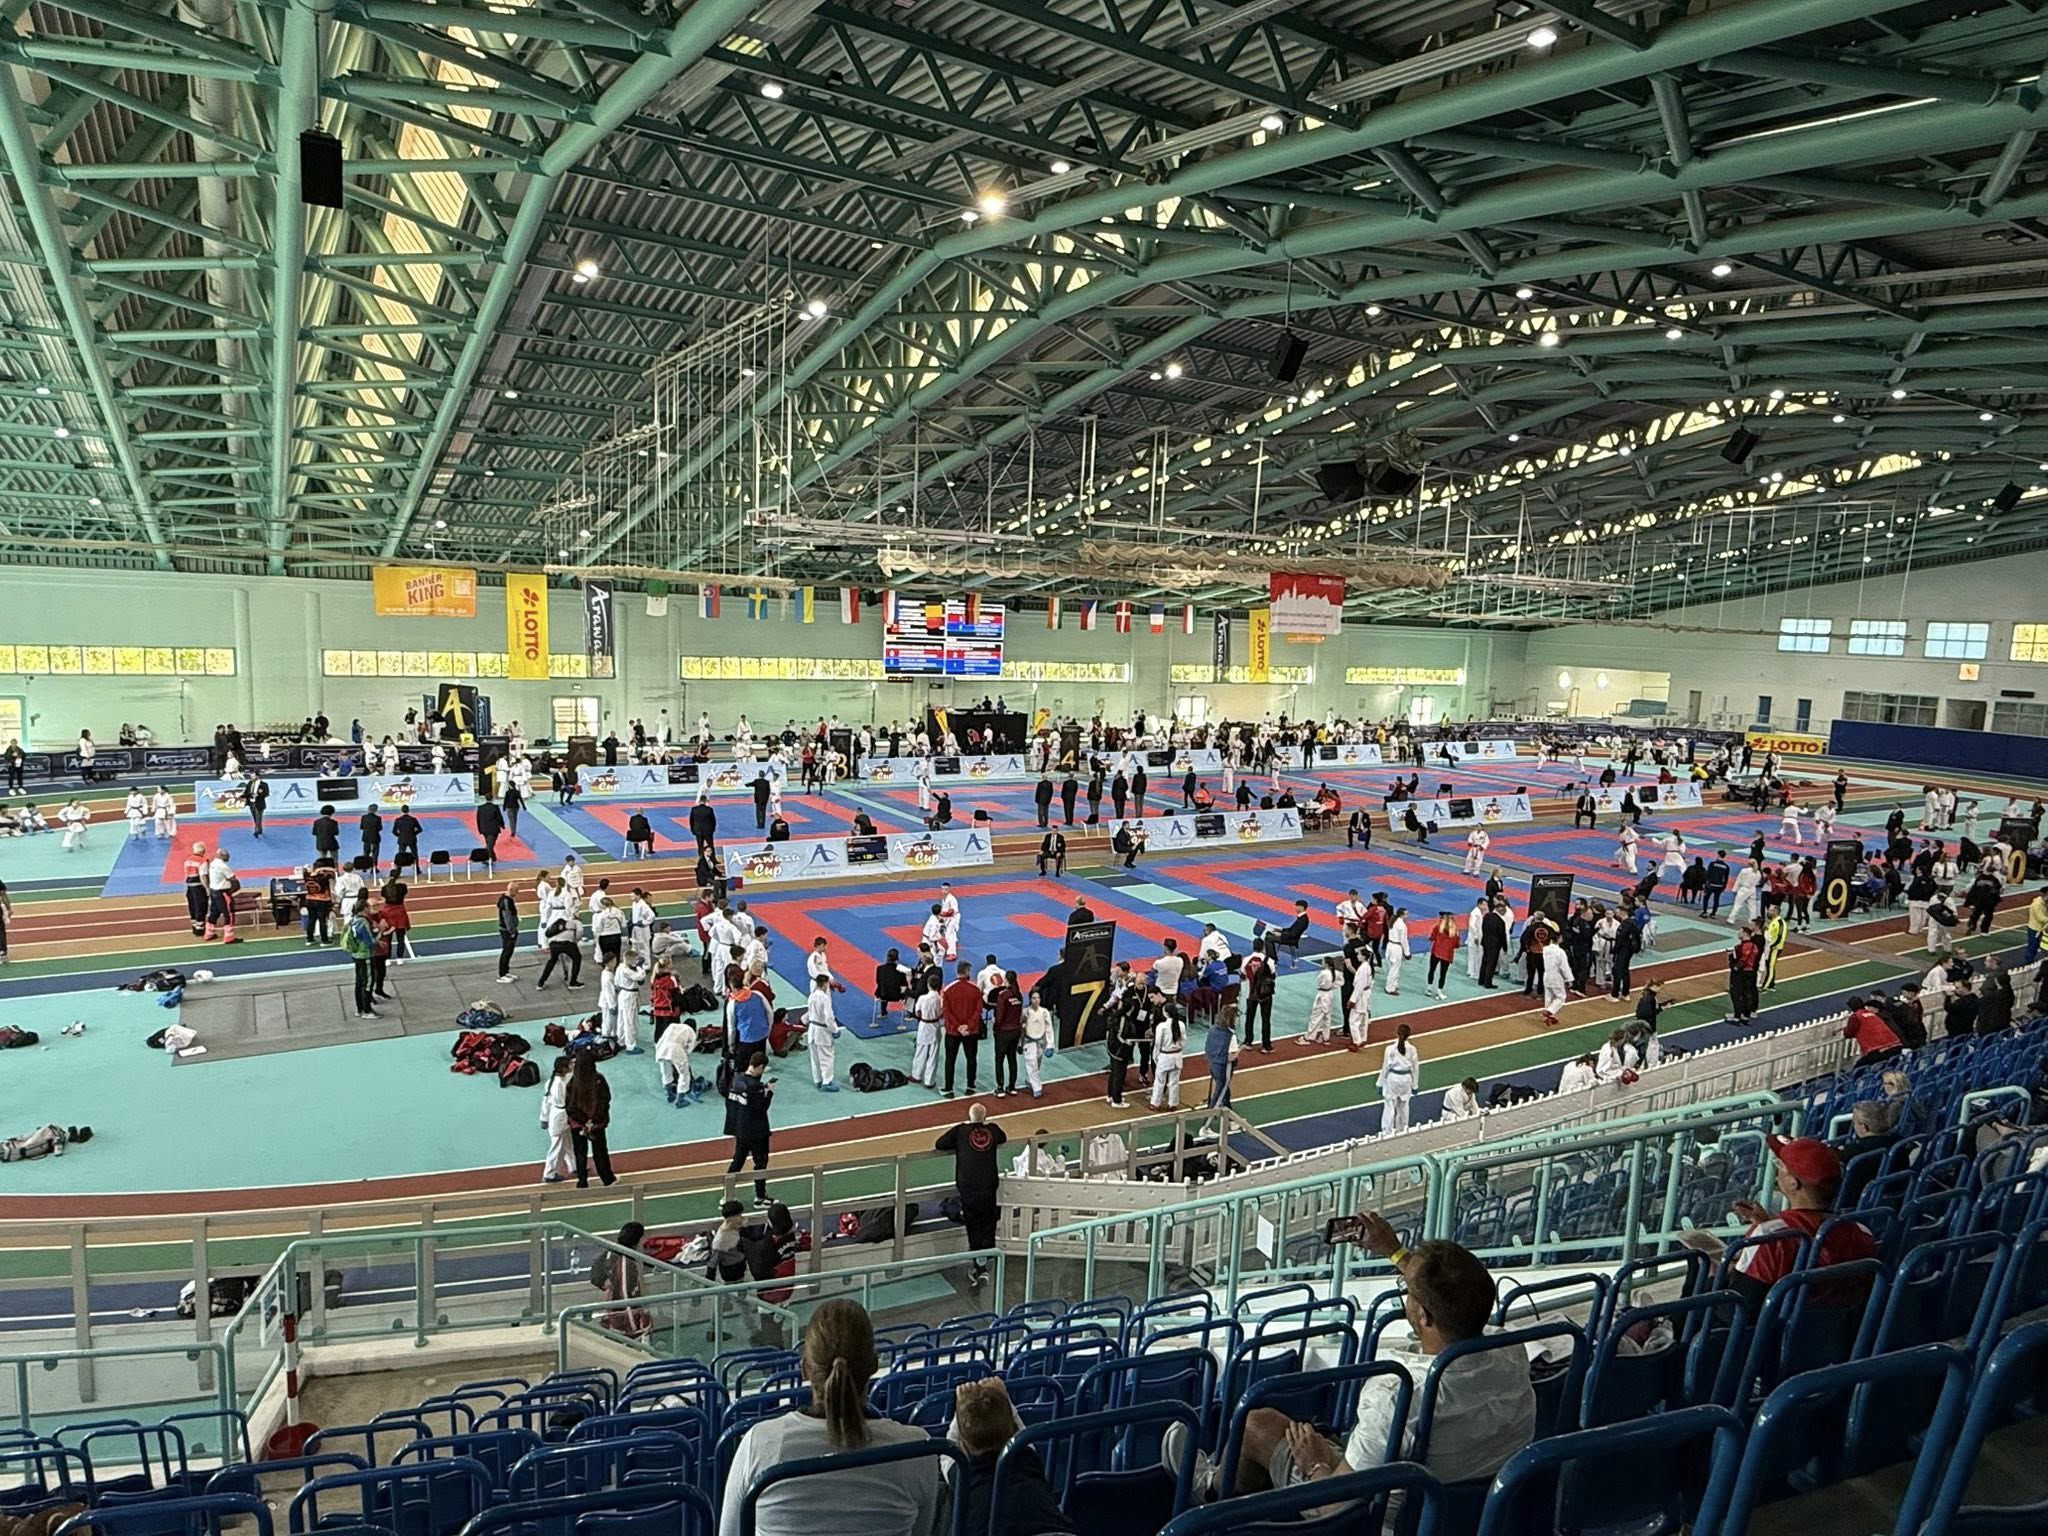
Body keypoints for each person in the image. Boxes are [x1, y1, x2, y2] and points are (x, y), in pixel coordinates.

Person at [1162, 1218, 1534, 1509]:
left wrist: (1315, 1464)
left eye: (1408, 1292)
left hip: (1373, 1517)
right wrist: (1394, 1251)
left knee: (1255, 1422)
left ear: (1423, 1316)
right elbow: (1453, 1294)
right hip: (1472, 1513)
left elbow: (1341, 1505)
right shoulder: (1511, 1352)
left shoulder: (1398, 1393)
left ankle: (1209, 1490)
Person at [718, 1299, 942, 1536]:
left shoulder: (760, 1444)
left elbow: (729, 1532)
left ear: (805, 1369)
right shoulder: (918, 1449)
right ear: (874, 1365)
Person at [1678, 1135, 1877, 1315]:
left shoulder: (1768, 1237)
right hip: (1835, 1339)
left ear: (1793, 1183)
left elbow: (1735, 1312)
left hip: (1766, 1340)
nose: (1776, 1170)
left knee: (1699, 1264)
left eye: (1779, 1165)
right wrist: (1770, 1224)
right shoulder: (1863, 1233)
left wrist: (1714, 1276)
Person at [953, 1378, 1077, 1536]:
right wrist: (1004, 1397)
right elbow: (1020, 1432)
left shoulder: (961, 1475)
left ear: (964, 1445)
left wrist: (963, 1403)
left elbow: (950, 1443)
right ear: (1013, 1430)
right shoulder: (1028, 1459)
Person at [936, 1102, 1006, 1289]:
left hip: (969, 1186)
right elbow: (1003, 1137)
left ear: (969, 1117)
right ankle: (988, 1260)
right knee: (989, 1222)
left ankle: (979, 1266)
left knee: (974, 1225)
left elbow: (940, 1144)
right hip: (989, 1185)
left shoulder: (960, 1131)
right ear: (985, 1117)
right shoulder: (992, 1130)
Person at [725, 1049, 775, 1206]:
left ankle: (727, 1196)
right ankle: (760, 1197)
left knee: (737, 1162)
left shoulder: (737, 1079)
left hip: (741, 1129)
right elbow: (761, 1107)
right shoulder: (755, 1087)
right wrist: (769, 1093)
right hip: (757, 1132)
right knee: (760, 1163)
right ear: (760, 1067)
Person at [940, 962, 984, 1098]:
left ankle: (948, 1088)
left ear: (957, 971)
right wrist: (968, 1026)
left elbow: (946, 1012)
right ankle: (971, 1086)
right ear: (967, 971)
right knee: (971, 1058)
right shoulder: (975, 989)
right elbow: (978, 1011)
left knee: (950, 1059)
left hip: (953, 1031)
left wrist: (958, 1026)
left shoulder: (948, 989)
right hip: (971, 1031)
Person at [804, 972, 842, 1092]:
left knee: (814, 1057)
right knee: (827, 1056)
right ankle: (827, 1082)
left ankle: (818, 1080)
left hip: (812, 1029)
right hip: (822, 1030)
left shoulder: (811, 996)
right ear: (825, 984)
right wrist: (835, 1030)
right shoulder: (824, 998)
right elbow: (829, 1018)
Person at [539, 1055, 573, 1183]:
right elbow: (567, 1102)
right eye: (570, 1064)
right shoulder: (561, 1084)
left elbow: (546, 1101)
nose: (572, 1065)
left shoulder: (551, 1081)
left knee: (569, 1142)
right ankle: (550, 1173)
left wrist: (544, 1117)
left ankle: (574, 1166)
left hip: (555, 1114)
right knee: (557, 1146)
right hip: (561, 1116)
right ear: (564, 1068)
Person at [1380, 1024, 1419, 1134]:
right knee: (1404, 1106)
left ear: (1397, 1033)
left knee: (1389, 1105)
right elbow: (1415, 1068)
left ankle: (1387, 1132)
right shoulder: (1412, 1049)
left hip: (1393, 1078)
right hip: (1406, 1080)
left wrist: (1380, 1083)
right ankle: (1402, 1130)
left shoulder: (1390, 1049)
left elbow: (1385, 1067)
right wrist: (1415, 1085)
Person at [536, 906, 586, 990]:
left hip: (553, 944)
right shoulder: (576, 922)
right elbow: (580, 932)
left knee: (552, 961)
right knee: (577, 958)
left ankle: (540, 983)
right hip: (567, 943)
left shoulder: (557, 921)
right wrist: (575, 941)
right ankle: (573, 982)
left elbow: (548, 932)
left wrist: (547, 944)